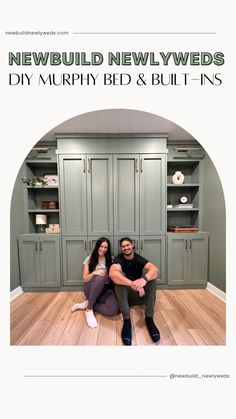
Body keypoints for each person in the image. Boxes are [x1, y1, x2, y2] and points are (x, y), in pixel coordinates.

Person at [109, 237, 160, 345]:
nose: (125, 248)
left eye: (127, 245)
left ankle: (149, 318)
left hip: (140, 294)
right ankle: (126, 320)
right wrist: (132, 283)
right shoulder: (118, 260)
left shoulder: (139, 258)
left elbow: (155, 269)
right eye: (123, 246)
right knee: (119, 279)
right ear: (121, 249)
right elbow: (112, 274)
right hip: (126, 297)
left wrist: (144, 280)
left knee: (151, 278)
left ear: (132, 245)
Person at [71, 237, 120, 328]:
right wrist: (94, 273)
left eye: (105, 247)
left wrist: (118, 268)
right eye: (101, 246)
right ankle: (89, 310)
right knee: (101, 276)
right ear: (97, 246)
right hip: (90, 288)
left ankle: (88, 304)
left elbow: (114, 275)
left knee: (114, 310)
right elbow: (85, 279)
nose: (103, 249)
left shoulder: (111, 259)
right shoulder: (89, 259)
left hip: (104, 289)